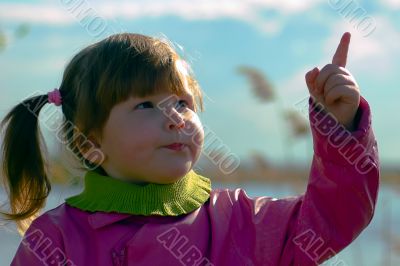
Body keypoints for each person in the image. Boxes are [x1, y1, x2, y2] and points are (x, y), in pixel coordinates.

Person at [1, 32, 379, 266]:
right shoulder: (57, 239)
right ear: (92, 142)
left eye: (182, 103)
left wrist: (339, 130)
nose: (175, 118)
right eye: (145, 105)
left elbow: (332, 219)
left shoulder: (242, 220)